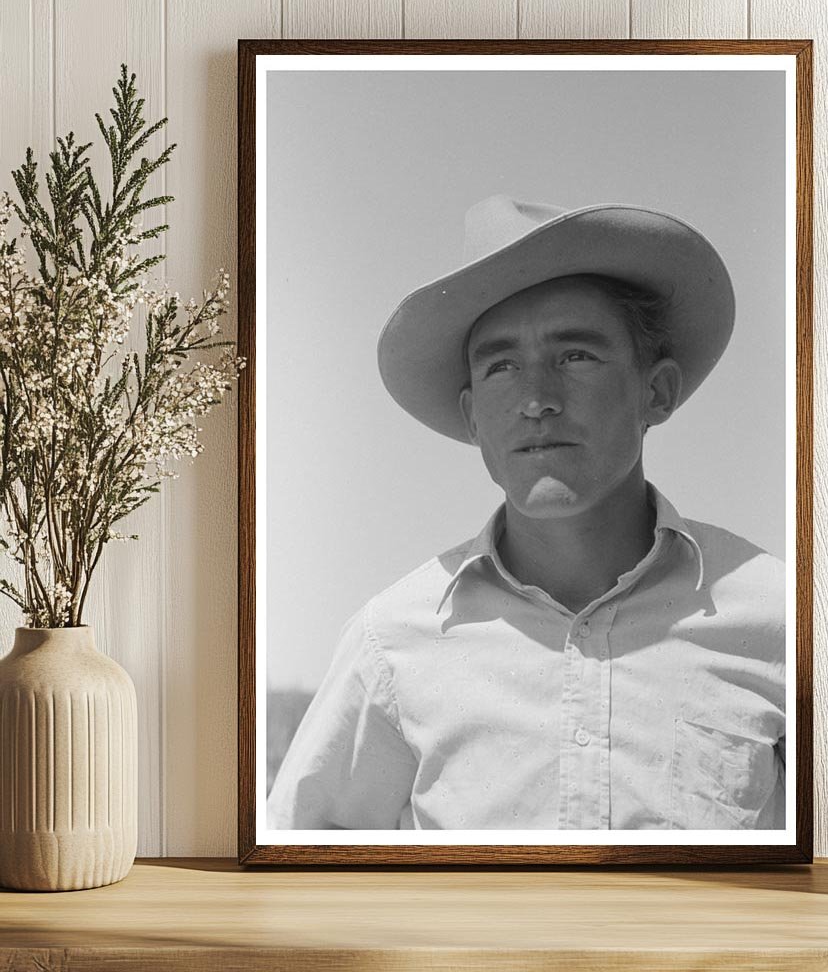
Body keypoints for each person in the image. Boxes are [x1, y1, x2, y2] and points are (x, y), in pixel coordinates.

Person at [267, 195, 786, 831]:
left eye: (576, 356)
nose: (537, 399)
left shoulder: (779, 619)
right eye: (502, 366)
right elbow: (304, 866)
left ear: (657, 390)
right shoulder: (391, 640)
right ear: (472, 416)